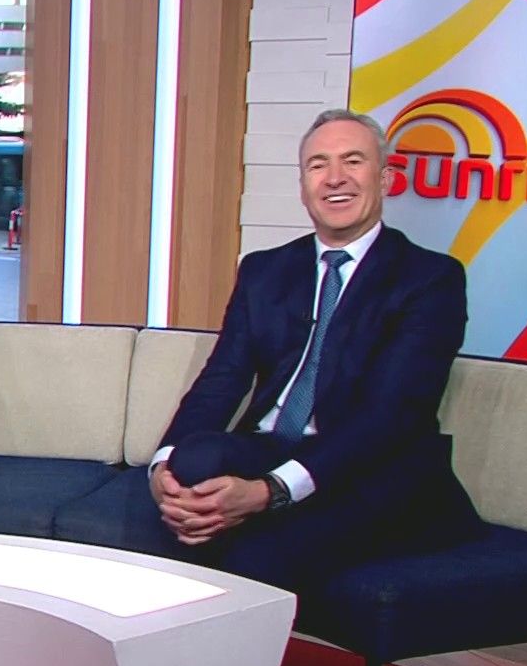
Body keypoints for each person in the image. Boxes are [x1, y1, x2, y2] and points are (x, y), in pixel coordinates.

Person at [149, 107, 481, 593]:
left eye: (353, 161)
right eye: (318, 165)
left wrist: (269, 491)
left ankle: (223, 629)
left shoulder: (430, 278)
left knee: (253, 552)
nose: (335, 178)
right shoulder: (265, 269)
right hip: (274, 444)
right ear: (303, 185)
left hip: (370, 465)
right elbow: (222, 378)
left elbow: (389, 415)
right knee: (191, 467)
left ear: (385, 178)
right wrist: (163, 466)